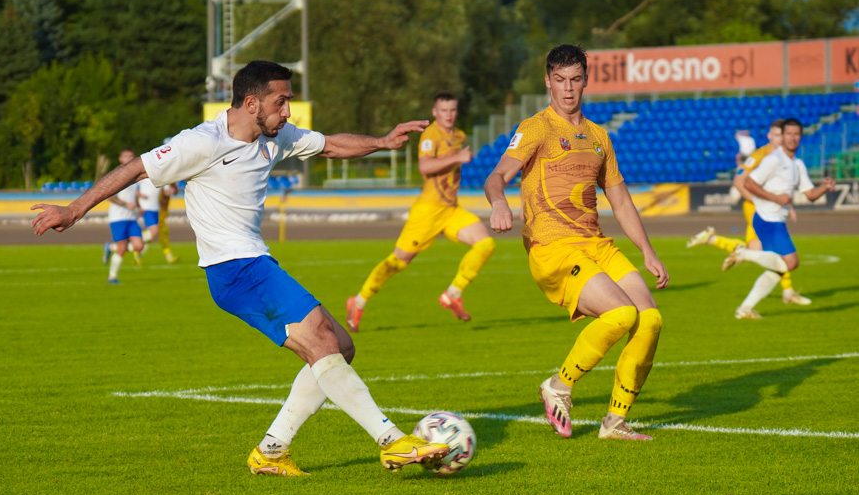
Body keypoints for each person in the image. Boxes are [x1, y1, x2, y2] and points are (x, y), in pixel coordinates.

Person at [31, 60, 449, 476]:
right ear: (251, 102)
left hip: (254, 262)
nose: (287, 112)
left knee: (340, 347)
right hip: (234, 268)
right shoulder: (201, 142)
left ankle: (272, 451)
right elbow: (136, 168)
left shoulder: (275, 136)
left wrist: (383, 141)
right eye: (281, 101)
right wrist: (74, 209)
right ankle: (393, 441)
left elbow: (331, 145)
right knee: (322, 338)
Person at [484, 44, 669, 441]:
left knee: (650, 320)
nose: (568, 89)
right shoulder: (537, 127)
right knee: (621, 315)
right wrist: (499, 203)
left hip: (595, 244)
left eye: (576, 80)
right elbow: (496, 176)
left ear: (586, 80)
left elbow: (619, 199)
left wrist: (648, 251)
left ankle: (615, 421)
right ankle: (559, 385)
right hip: (553, 247)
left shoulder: (599, 136)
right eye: (560, 81)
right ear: (548, 81)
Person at [345, 91, 495, 332]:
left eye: (452, 110)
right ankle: (358, 301)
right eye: (444, 111)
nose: (449, 115)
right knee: (397, 263)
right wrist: (457, 157)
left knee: (486, 244)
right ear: (435, 112)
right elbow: (425, 167)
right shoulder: (430, 134)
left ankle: (453, 294)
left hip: (451, 210)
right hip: (427, 211)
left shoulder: (459, 135)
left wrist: (459, 156)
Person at [687, 119, 812, 305]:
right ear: (770, 136)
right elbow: (739, 181)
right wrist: (761, 201)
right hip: (759, 210)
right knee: (764, 251)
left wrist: (785, 205)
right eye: (778, 135)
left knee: (776, 252)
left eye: (783, 135)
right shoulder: (761, 155)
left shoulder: (784, 158)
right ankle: (717, 241)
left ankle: (787, 291)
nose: (782, 139)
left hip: (772, 209)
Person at [721, 118, 835, 319]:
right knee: (791, 263)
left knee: (780, 268)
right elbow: (748, 183)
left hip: (776, 220)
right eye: (788, 134)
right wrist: (775, 198)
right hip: (766, 218)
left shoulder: (797, 164)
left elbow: (809, 194)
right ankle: (744, 253)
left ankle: (745, 309)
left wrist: (825, 186)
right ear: (782, 137)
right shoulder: (773, 159)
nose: (792, 138)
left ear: (801, 137)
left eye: (796, 134)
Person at [101, 148, 144, 283]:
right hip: (118, 217)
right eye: (126, 156)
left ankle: (110, 247)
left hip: (131, 217)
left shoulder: (135, 176)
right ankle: (112, 277)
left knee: (139, 246)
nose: (129, 159)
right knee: (122, 248)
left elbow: (133, 195)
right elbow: (108, 196)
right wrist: (125, 204)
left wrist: (138, 205)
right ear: (120, 159)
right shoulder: (116, 175)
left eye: (131, 156)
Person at [137, 175, 180, 264]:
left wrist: (173, 190)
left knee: (153, 234)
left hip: (157, 209)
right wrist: (139, 196)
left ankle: (137, 254)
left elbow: (168, 191)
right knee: (159, 232)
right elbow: (132, 188)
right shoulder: (142, 176)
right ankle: (169, 256)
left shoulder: (159, 175)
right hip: (146, 208)